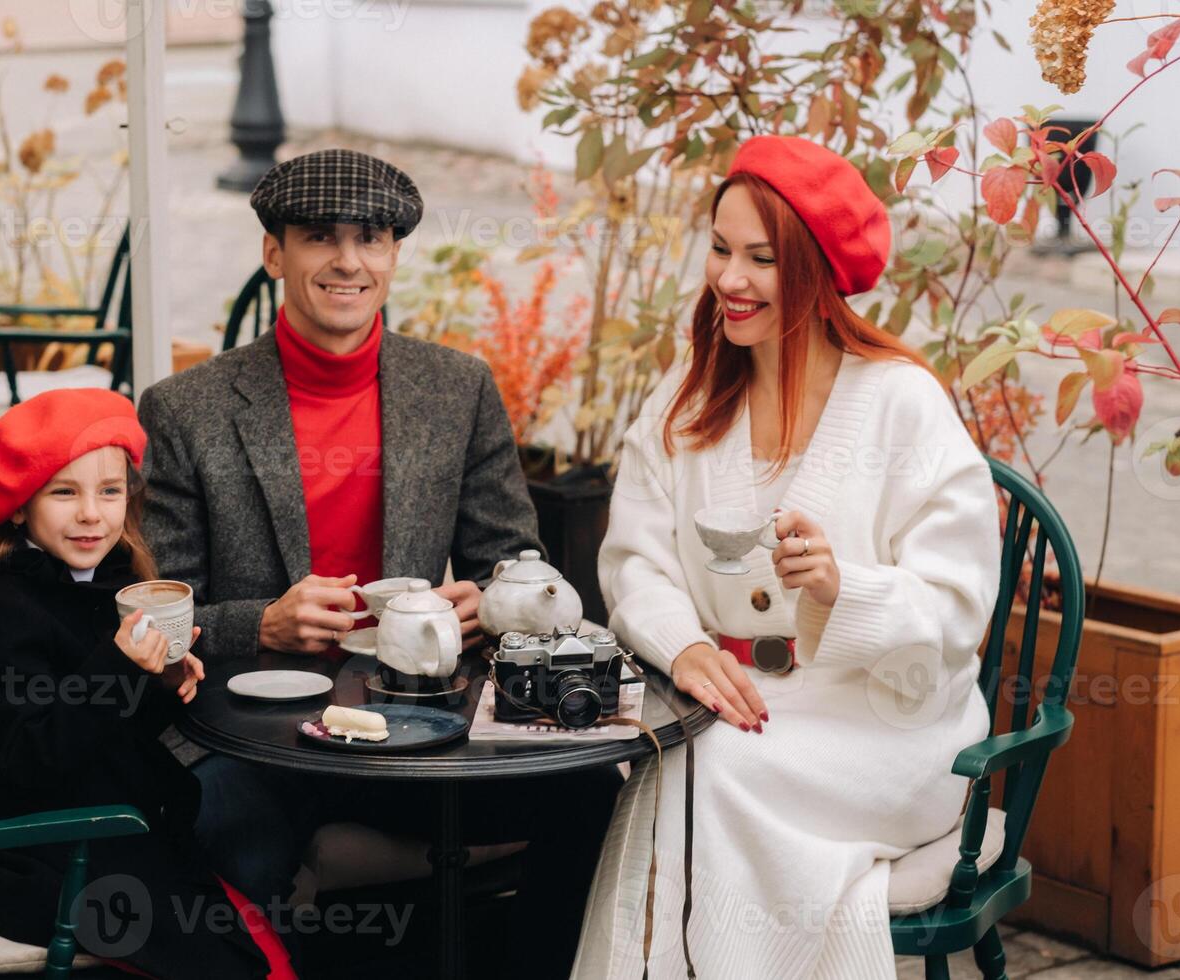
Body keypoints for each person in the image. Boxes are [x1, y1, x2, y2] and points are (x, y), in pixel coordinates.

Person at [139, 148, 622, 977]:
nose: (347, 261)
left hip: (419, 731)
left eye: (371, 238)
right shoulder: (189, 408)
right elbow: (158, 611)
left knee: (590, 795)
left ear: (396, 255)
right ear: (274, 254)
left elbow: (520, 562)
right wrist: (261, 622)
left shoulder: (455, 389)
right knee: (215, 830)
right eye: (319, 237)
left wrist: (492, 604)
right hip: (260, 742)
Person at [587, 135, 1000, 978]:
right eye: (719, 248)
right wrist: (687, 646)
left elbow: (960, 609)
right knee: (680, 757)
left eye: (761, 259)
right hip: (741, 706)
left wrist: (847, 590)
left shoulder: (900, 404)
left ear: (814, 270)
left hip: (888, 729)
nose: (729, 280)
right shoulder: (692, 391)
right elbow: (635, 560)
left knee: (705, 764)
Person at [0, 389, 291, 980]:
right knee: (228, 962)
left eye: (109, 492)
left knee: (264, 948)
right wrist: (117, 666)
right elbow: (32, 756)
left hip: (123, 824)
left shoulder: (109, 582)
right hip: (50, 838)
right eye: (65, 492)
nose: (92, 514)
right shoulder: (6, 609)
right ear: (17, 506)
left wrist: (160, 681)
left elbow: (113, 732)